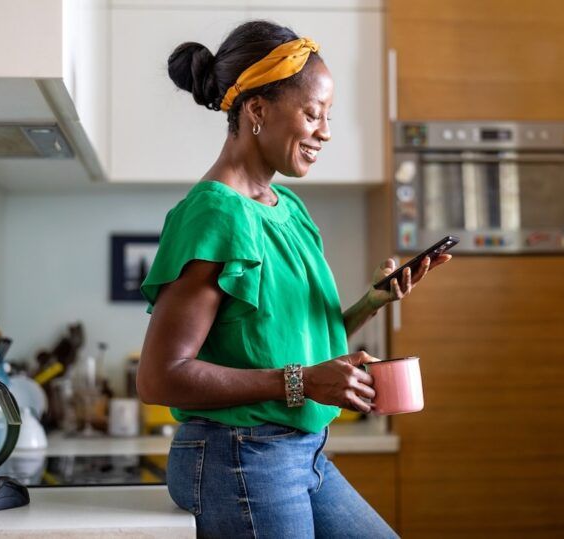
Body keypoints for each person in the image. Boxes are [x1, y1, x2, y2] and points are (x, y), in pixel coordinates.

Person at [137, 20, 450, 538]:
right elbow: (159, 376)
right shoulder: (216, 215)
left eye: (329, 116)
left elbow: (282, 342)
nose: (325, 131)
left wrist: (371, 302)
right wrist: (303, 382)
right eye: (312, 113)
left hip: (301, 453)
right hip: (239, 455)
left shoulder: (290, 210)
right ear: (257, 111)